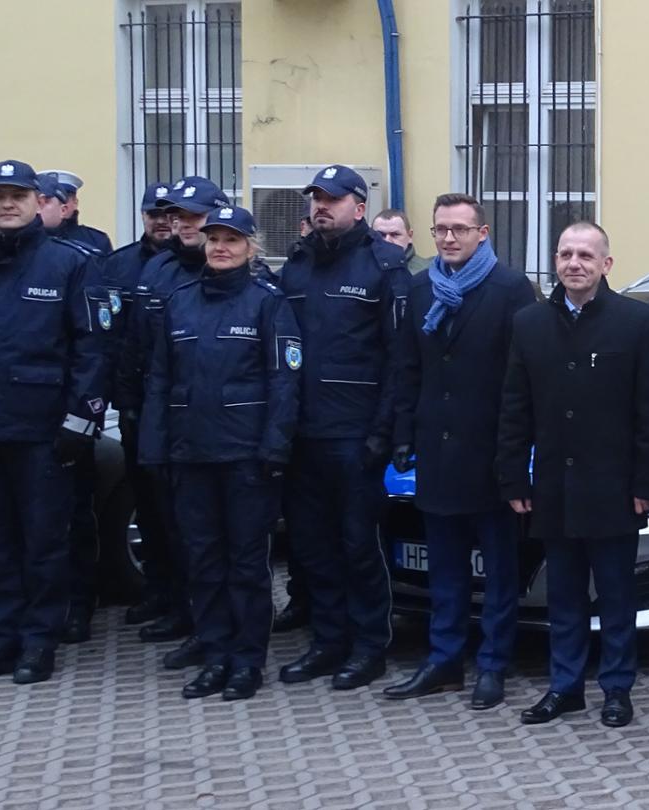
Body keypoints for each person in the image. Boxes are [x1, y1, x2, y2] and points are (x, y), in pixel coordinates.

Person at [498, 221, 649, 727]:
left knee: (617, 596)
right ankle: (565, 687)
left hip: (614, 489)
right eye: (565, 254)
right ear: (555, 261)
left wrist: (645, 484)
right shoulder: (528, 323)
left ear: (606, 265)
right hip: (552, 486)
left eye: (585, 256)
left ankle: (617, 689)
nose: (574, 264)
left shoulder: (636, 323)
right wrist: (512, 475)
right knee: (564, 596)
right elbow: (515, 408)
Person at [138, 206, 299, 702]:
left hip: (246, 458)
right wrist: (153, 448)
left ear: (251, 247)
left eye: (232, 239)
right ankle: (214, 655)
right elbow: (160, 380)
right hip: (191, 455)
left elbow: (285, 380)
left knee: (246, 566)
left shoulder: (267, 303)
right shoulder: (180, 302)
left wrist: (275, 446)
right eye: (213, 239)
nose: (220, 247)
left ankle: (247, 661)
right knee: (203, 562)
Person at [381, 194, 535, 709]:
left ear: (483, 233)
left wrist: (515, 452)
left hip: (491, 452)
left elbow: (523, 379)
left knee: (497, 570)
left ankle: (493, 664)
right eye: (441, 229)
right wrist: (403, 434)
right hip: (435, 451)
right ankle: (443, 660)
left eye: (460, 229)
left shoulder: (512, 290)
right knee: (444, 569)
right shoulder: (421, 288)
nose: (448, 238)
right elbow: (407, 370)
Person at [274, 165, 412, 692]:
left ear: (359, 206)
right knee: (313, 547)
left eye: (332, 199)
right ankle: (328, 641)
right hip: (302, 435)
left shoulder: (383, 265)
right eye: (315, 199)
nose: (321, 207)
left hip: (356, 437)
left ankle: (369, 645)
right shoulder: (298, 265)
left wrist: (383, 434)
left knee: (359, 545)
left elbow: (399, 360)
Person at [0, 159, 107, 684]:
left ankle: (39, 640)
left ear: (38, 201)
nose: (7, 205)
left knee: (43, 540)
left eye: (18, 195)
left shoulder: (69, 263)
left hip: (42, 430)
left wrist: (80, 422)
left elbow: (92, 348)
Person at [128, 177, 234, 666]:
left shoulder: (244, 278)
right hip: (170, 424)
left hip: (226, 432)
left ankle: (226, 630)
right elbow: (144, 357)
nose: (182, 224)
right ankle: (191, 617)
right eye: (178, 216)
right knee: (178, 532)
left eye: (193, 217)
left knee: (224, 544)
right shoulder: (156, 271)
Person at [105, 182, 185, 635]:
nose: (161, 221)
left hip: (180, 411)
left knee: (179, 514)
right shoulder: (117, 266)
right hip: (137, 409)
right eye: (153, 213)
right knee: (148, 510)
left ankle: (183, 600)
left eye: (168, 213)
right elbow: (117, 341)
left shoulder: (190, 269)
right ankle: (158, 591)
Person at [34, 170, 114, 254]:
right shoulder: (24, 238)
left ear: (75, 202)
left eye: (65, 198)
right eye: (43, 201)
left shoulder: (96, 240)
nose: (61, 203)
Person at [372, 208, 432, 274]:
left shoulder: (427, 272)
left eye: (395, 234)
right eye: (380, 235)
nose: (387, 241)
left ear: (410, 236)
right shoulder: (361, 268)